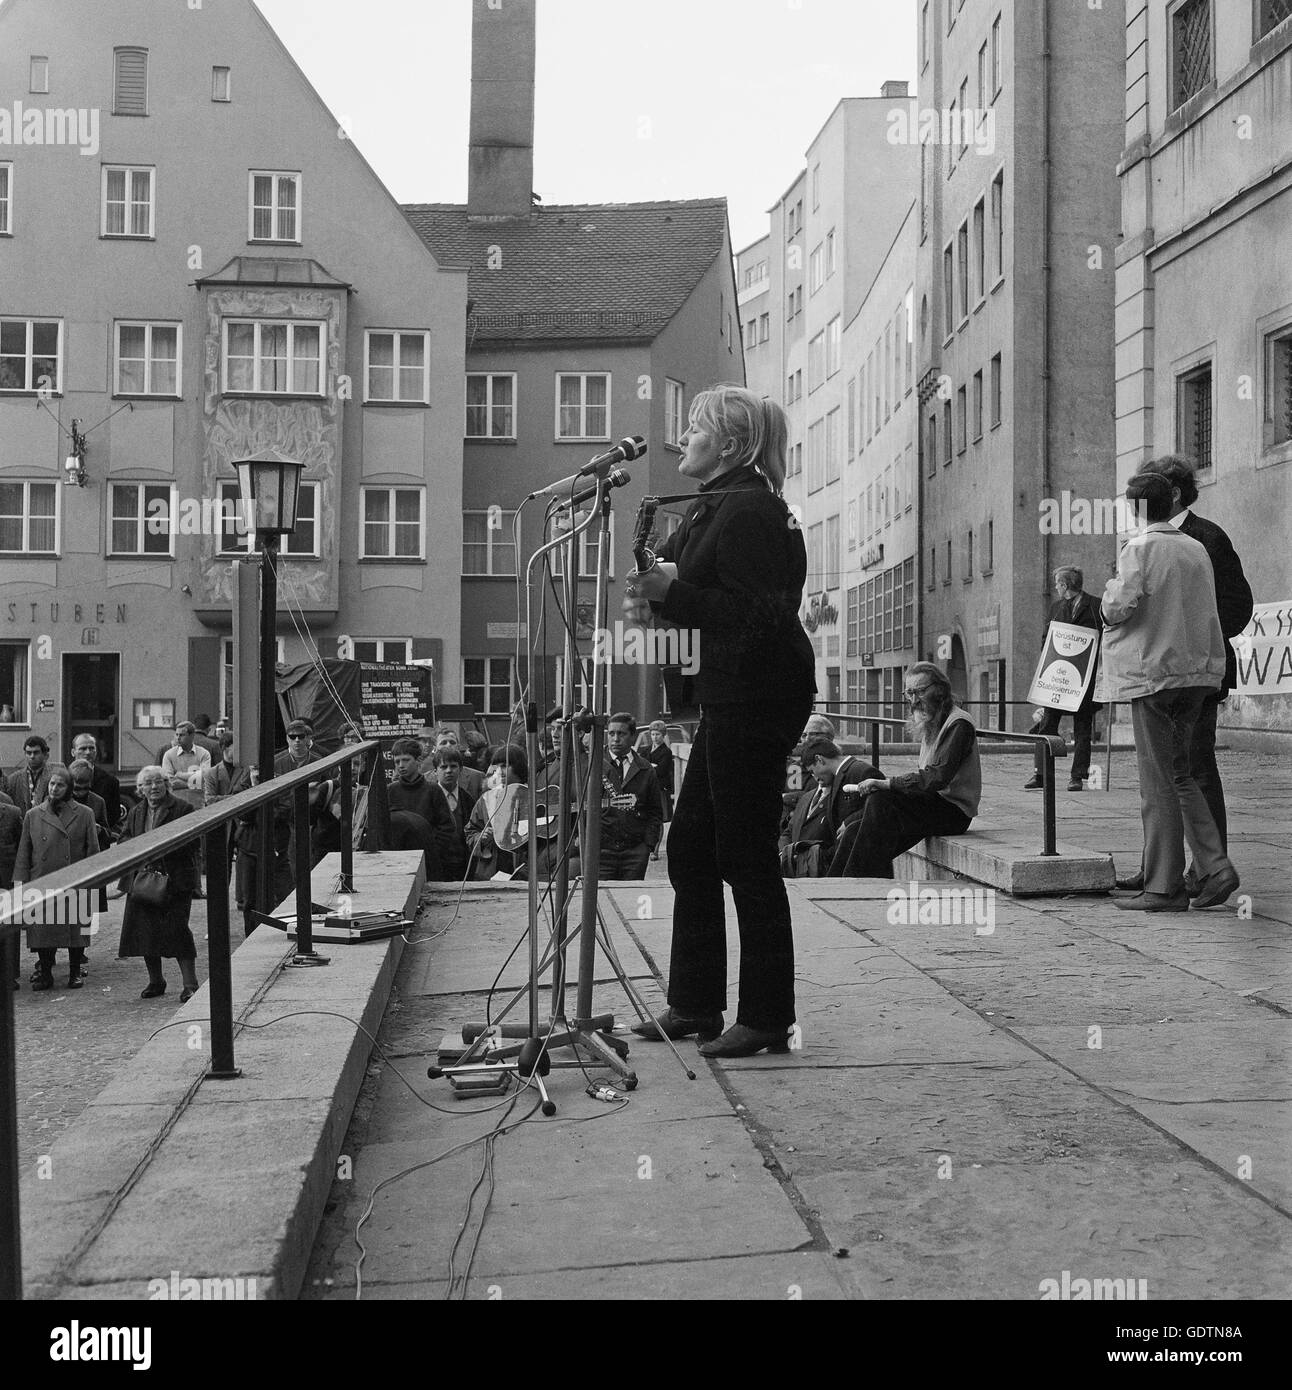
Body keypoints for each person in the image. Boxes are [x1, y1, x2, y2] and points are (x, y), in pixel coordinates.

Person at [623, 384, 816, 1058]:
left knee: (744, 852)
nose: (684, 437)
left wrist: (671, 591)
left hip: (759, 694)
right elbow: (691, 587)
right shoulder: (716, 505)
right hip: (732, 693)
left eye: (696, 428)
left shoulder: (752, 510)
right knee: (692, 847)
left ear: (730, 445)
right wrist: (658, 586)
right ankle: (696, 1004)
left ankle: (766, 1015)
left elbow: (759, 616)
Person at [1117, 455, 1254, 894]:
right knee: (1165, 772)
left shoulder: (1206, 537)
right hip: (1167, 669)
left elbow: (1238, 606)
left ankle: (1204, 869)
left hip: (1190, 671)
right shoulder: (1148, 540)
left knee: (1193, 768)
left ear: (1173, 493)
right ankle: (1160, 867)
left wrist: (1190, 637)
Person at [826, 665, 981, 878]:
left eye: (920, 691)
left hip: (954, 813)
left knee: (882, 798)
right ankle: (835, 885)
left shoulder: (958, 723)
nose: (914, 700)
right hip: (934, 804)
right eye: (909, 692)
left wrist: (889, 783)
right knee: (855, 831)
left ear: (940, 690)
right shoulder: (933, 721)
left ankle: (859, 882)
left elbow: (936, 778)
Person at [117, 766, 200, 1001]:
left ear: (167, 784)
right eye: (148, 783)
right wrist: (137, 849)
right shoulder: (136, 811)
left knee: (178, 931)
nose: (154, 787)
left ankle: (190, 984)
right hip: (144, 881)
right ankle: (156, 981)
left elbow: (193, 842)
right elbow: (124, 838)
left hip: (175, 881)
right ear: (140, 788)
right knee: (145, 932)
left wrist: (162, 849)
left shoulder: (182, 809)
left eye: (158, 782)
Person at [14, 764, 99, 991]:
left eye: (60, 785)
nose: (54, 788)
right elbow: (24, 852)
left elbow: (93, 851)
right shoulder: (33, 815)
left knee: (76, 931)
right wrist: (21, 884)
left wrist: (94, 880)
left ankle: (75, 971)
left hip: (75, 881)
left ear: (69, 788)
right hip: (42, 881)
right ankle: (45, 973)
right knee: (43, 931)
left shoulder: (84, 814)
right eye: (52, 784)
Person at [1023, 567, 1102, 792]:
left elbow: (1103, 639)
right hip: (1057, 679)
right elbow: (1046, 640)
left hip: (1082, 681)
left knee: (1082, 729)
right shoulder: (1056, 608)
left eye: (1058, 584)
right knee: (1047, 726)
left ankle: (1077, 776)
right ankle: (1041, 774)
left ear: (1065, 585)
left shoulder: (1095, 606)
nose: (1056, 587)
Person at [582, 712, 664, 880]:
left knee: (630, 895)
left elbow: (655, 812)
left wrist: (647, 846)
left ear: (632, 736)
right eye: (611, 733)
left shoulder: (646, 769)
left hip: (635, 852)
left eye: (621, 734)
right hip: (600, 851)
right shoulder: (593, 764)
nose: (615, 739)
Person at [781, 738, 879, 877]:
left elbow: (881, 805)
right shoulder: (815, 792)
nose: (814, 777)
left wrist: (850, 821)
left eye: (813, 771)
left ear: (819, 759)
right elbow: (789, 831)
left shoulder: (860, 771)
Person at [465, 743, 541, 880]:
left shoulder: (534, 796)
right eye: (497, 767)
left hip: (527, 871)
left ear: (518, 767)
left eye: (505, 766)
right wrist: (481, 837)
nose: (500, 771)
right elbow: (470, 832)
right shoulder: (487, 799)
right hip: (491, 872)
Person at [387, 737, 453, 879]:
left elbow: (446, 827)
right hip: (397, 863)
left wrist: (432, 850)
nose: (401, 765)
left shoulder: (432, 790)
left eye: (406, 760)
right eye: (397, 761)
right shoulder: (390, 791)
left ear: (418, 761)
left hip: (428, 862)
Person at [69, 759, 112, 914]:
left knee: (88, 915)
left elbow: (108, 835)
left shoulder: (98, 802)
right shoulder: (60, 800)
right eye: (76, 788)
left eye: (85, 788)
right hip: (67, 864)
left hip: (90, 864)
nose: (80, 792)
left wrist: (100, 830)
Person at [430, 746, 475, 880]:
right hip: (436, 866)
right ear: (435, 771)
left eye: (453, 766)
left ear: (460, 769)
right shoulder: (427, 798)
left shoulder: (468, 800)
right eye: (443, 767)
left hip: (463, 866)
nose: (449, 771)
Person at [70, 733, 123, 832]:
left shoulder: (110, 782)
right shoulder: (63, 779)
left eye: (91, 748)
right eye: (83, 749)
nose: (88, 752)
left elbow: (113, 818)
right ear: (73, 752)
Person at [1, 790, 24, 989]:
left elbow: (22, 848)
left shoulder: (12, 813)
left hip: (7, 881)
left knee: (10, 930)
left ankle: (10, 974)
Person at [642, 721, 675, 856]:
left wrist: (650, 767)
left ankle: (655, 850)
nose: (655, 737)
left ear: (663, 735)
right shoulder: (646, 750)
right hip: (646, 788)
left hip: (660, 789)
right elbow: (640, 766)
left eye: (658, 734)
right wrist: (652, 766)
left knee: (659, 819)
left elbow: (661, 770)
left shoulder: (666, 752)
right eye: (653, 734)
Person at [162, 721, 211, 810]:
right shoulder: (169, 755)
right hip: (175, 807)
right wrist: (193, 782)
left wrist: (179, 775)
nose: (178, 738)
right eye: (176, 734)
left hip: (197, 805)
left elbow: (204, 777)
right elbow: (168, 781)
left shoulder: (203, 754)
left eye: (182, 735)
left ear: (192, 736)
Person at [5, 735, 51, 813]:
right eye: (29, 753)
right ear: (25, 754)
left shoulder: (53, 778)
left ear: (45, 755)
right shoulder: (13, 779)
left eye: (36, 753)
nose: (32, 756)